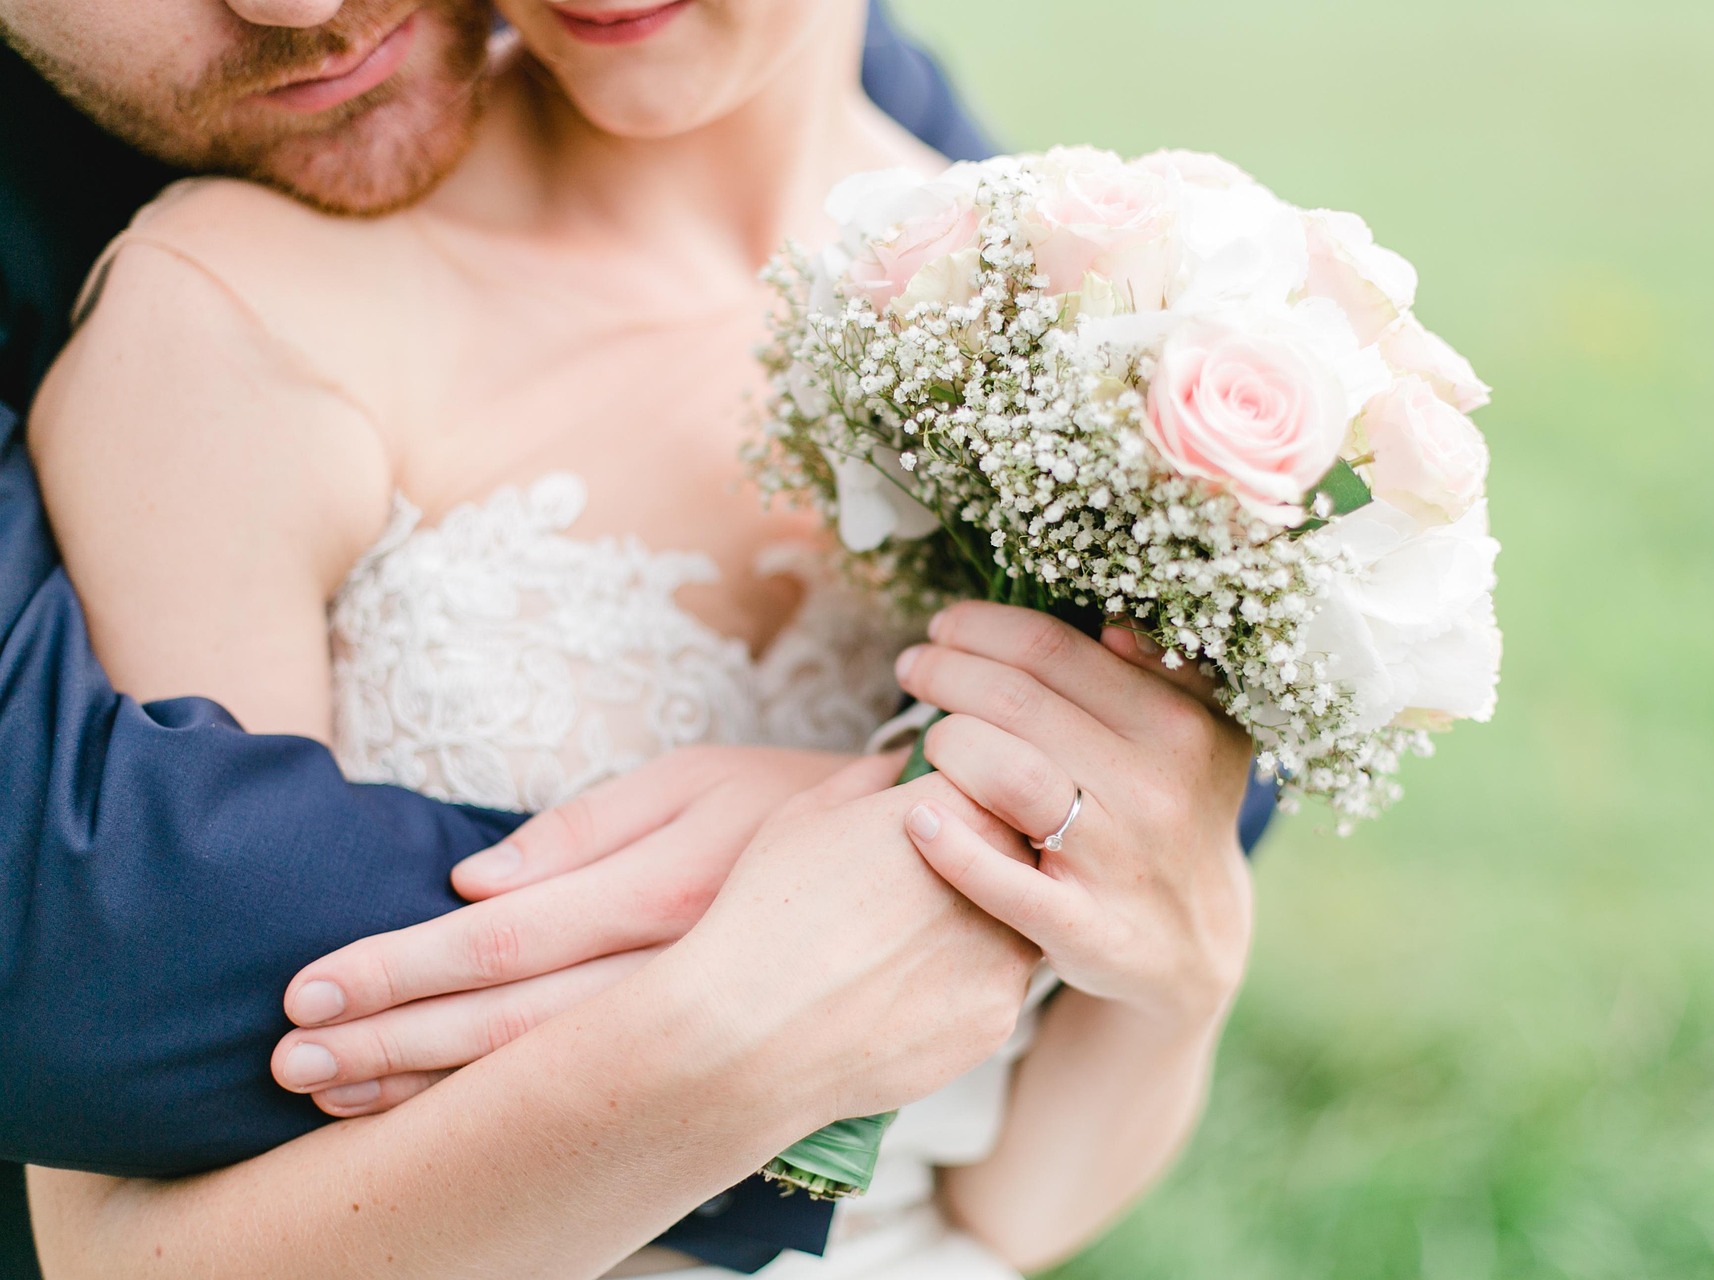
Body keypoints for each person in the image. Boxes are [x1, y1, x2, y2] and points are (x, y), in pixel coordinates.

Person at [4, 0, 1270, 1274]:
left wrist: (1190, 955)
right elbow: (118, 1249)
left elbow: (1016, 1208)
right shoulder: (240, 312)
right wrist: (738, 1023)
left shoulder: (1081, 320)